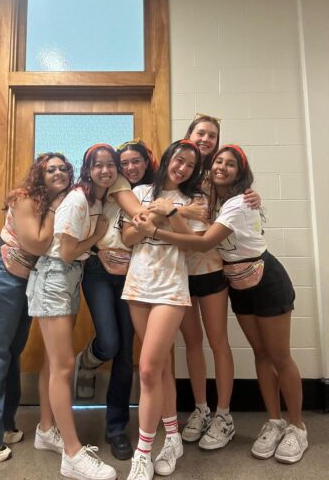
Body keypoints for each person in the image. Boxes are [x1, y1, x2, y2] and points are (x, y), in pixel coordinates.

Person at [133, 144, 308, 465]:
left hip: (261, 277)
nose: (221, 167)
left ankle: (296, 426)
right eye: (218, 162)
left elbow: (201, 243)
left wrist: (160, 223)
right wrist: (173, 211)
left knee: (279, 356)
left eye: (230, 164)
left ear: (241, 173)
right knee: (259, 353)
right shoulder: (203, 190)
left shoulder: (239, 202)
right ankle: (273, 421)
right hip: (233, 280)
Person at [0, 152, 72, 463]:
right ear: (39, 174)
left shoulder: (57, 203)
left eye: (63, 168)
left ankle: (3, 423)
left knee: (11, 352)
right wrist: (53, 207)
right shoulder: (27, 198)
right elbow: (36, 243)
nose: (57, 172)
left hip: (23, 279)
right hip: (2, 273)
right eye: (50, 169)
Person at [27, 144, 118, 480]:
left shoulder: (97, 198)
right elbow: (65, 252)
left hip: (66, 276)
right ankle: (72, 454)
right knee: (64, 365)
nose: (106, 170)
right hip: (55, 273)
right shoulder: (79, 199)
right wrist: (95, 236)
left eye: (112, 165)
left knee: (54, 361)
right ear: (87, 169)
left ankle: (46, 430)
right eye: (98, 165)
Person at [122, 140, 203, 480]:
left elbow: (193, 246)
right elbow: (127, 238)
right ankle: (172, 437)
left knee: (148, 367)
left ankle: (143, 452)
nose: (181, 167)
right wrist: (148, 218)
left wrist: (167, 213)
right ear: (167, 159)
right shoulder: (140, 191)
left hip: (171, 287)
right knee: (160, 368)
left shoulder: (194, 201)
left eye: (189, 164)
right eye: (177, 160)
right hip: (138, 284)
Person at [178, 114, 260, 449]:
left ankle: (223, 414)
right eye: (201, 133)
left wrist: (254, 197)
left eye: (212, 135)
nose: (206, 139)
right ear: (189, 135)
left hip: (212, 269)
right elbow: (158, 204)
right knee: (192, 343)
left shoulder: (220, 174)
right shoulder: (177, 168)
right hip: (179, 271)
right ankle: (200, 409)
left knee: (218, 341)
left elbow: (244, 203)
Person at [75, 139, 157, 462]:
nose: (128, 168)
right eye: (125, 163)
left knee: (125, 353)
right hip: (98, 268)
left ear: (146, 163)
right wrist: (98, 250)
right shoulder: (113, 185)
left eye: (136, 162)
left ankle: (116, 428)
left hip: (132, 271)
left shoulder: (154, 189)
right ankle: (89, 359)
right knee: (109, 342)